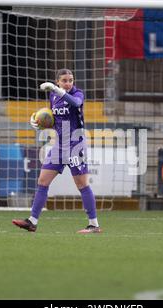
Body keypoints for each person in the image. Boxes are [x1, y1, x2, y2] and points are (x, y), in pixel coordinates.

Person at [12, 69, 101, 234]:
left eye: (70, 80)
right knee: (43, 181)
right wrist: (40, 123)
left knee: (82, 184)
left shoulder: (77, 93)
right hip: (59, 146)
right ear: (58, 81)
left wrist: (57, 90)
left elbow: (76, 103)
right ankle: (32, 221)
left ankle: (94, 225)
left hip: (76, 145)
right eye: (64, 80)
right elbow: (56, 121)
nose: (68, 83)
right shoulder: (53, 97)